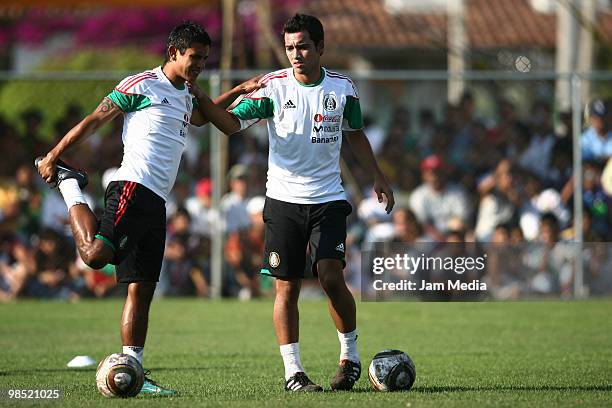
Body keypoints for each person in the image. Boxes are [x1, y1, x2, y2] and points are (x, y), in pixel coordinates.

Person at [35, 21, 262, 395]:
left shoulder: (187, 94)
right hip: (132, 187)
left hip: (157, 201)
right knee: (94, 255)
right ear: (174, 52)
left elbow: (204, 118)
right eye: (195, 58)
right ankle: (70, 183)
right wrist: (56, 155)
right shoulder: (141, 84)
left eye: (204, 59)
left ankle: (134, 371)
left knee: (140, 289)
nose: (200, 65)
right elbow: (96, 119)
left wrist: (237, 89)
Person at [191, 14, 394, 392]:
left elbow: (355, 134)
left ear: (320, 47)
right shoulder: (272, 88)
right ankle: (294, 373)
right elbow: (224, 124)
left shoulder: (343, 88)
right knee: (287, 289)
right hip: (283, 202)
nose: (295, 54)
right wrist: (234, 90)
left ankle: (349, 357)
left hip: (329, 198)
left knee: (331, 276)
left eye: (302, 46)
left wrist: (377, 177)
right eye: (289, 48)